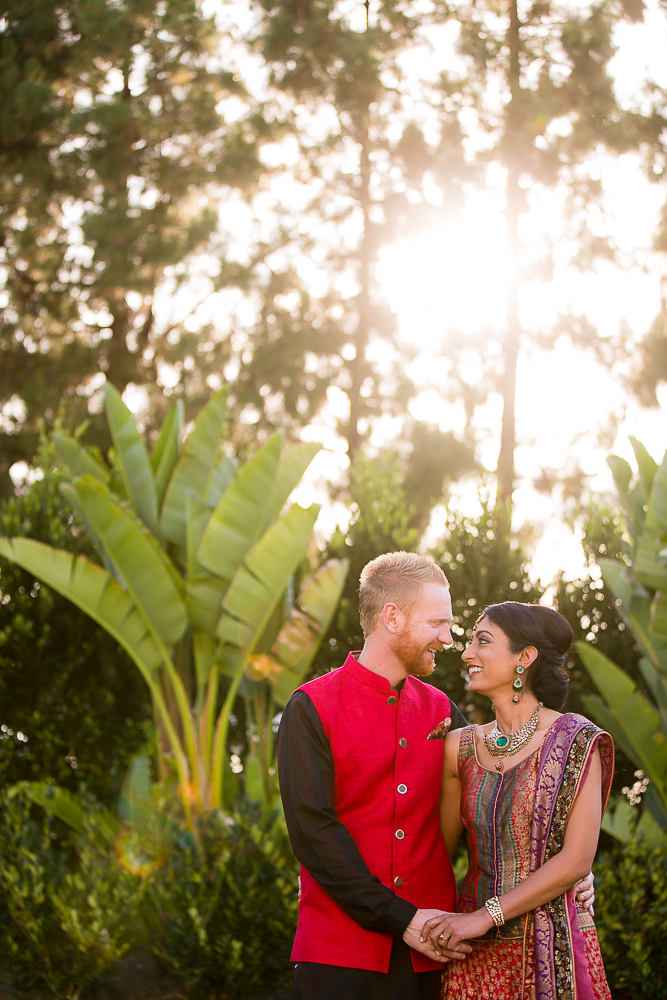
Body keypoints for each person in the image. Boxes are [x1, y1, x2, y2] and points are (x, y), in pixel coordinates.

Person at [277, 555, 594, 1000]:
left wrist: (568, 874)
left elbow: (492, 815)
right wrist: (401, 918)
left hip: (434, 957)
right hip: (337, 958)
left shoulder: (445, 715)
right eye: (438, 623)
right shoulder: (310, 706)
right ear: (393, 617)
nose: (449, 639)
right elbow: (313, 833)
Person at [421, 602, 613, 1000]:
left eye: (483, 641)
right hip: (471, 953)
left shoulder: (576, 740)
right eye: (471, 640)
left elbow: (577, 860)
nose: (467, 652)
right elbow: (437, 850)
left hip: (556, 947)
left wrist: (484, 917)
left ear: (525, 658)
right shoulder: (459, 747)